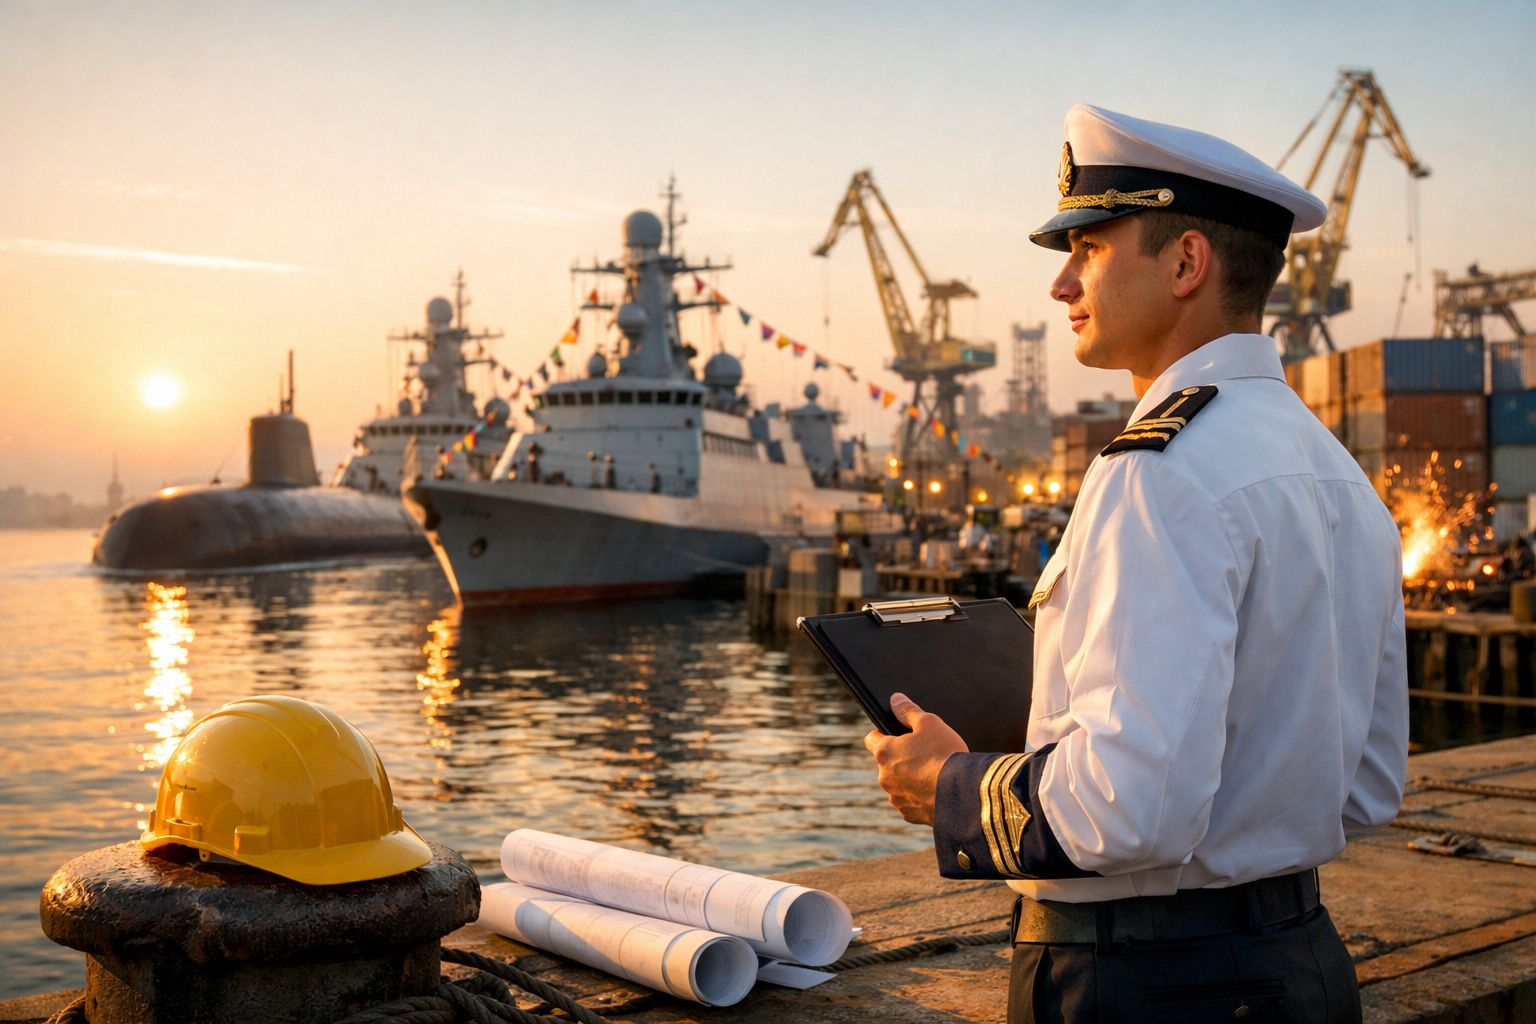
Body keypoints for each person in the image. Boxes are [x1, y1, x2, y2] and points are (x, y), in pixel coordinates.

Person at [864, 105, 1408, 1023]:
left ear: (1186, 264)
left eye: (1091, 247)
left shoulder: (1159, 473)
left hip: (1149, 987)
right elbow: (1369, 786)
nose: (1061, 282)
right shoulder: (1338, 473)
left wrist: (951, 783)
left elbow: (1130, 810)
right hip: (1301, 961)